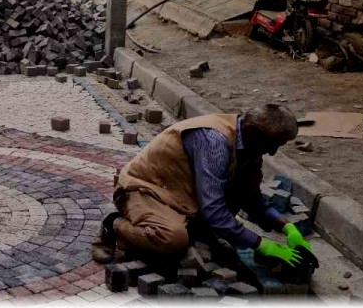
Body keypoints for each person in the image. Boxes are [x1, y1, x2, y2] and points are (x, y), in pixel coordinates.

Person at [93, 104, 314, 271]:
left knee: (235, 193)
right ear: (255, 134)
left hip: (180, 193)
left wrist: (286, 227)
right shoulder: (215, 142)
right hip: (145, 188)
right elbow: (214, 211)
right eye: (273, 144)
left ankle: (185, 230)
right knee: (173, 239)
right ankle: (113, 226)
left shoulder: (250, 146)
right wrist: (261, 244)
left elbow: (252, 198)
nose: (273, 152)